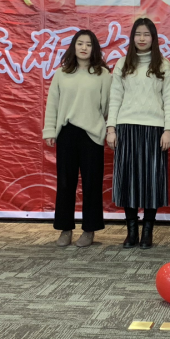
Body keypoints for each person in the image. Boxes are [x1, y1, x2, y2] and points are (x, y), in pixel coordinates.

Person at [106, 18, 170, 249]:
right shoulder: (123, 64)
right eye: (138, 34)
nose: (142, 38)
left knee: (151, 182)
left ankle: (147, 232)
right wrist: (111, 128)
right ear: (132, 37)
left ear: (154, 38)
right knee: (128, 181)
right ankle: (131, 232)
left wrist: (168, 130)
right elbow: (115, 98)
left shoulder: (163, 65)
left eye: (147, 34)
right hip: (126, 127)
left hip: (154, 129)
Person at [43, 30, 112, 248]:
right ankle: (65, 229)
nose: (84, 48)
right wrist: (49, 130)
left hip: (92, 134)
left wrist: (107, 128)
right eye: (80, 43)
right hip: (67, 133)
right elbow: (52, 104)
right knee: (65, 183)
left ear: (94, 49)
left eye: (88, 44)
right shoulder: (62, 74)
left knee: (92, 184)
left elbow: (108, 106)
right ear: (73, 46)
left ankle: (89, 229)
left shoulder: (103, 74)